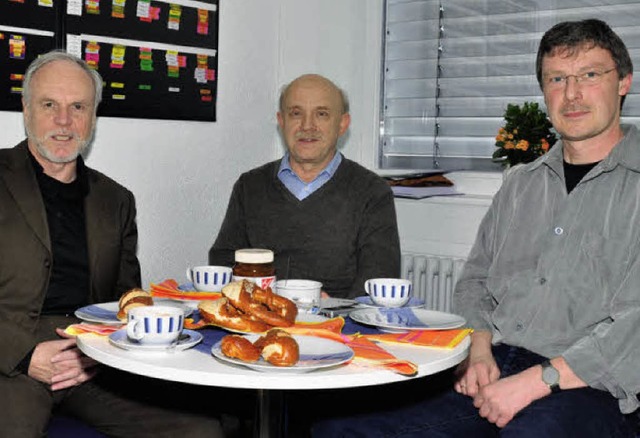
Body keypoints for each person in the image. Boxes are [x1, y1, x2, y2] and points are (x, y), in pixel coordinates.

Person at [312, 19, 640, 437]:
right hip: (496, 363)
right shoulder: (521, 183)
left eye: (590, 75)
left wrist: (540, 381)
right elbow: (474, 282)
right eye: (557, 78)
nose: (572, 93)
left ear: (623, 82)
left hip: (591, 386)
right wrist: (479, 350)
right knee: (341, 425)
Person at [0, 50, 225, 437]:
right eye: (49, 104)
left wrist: (99, 357)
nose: (64, 121)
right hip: (11, 361)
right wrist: (24, 354)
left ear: (93, 116)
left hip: (91, 357)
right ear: (25, 108)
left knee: (201, 430)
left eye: (78, 107)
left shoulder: (117, 200)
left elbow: (125, 300)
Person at [209, 74, 401, 299]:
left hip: (338, 325)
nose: (307, 126)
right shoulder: (250, 186)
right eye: (296, 113)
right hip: (262, 320)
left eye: (321, 114)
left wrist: (336, 309)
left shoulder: (372, 192)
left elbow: (379, 281)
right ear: (282, 122)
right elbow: (223, 261)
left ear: (342, 124)